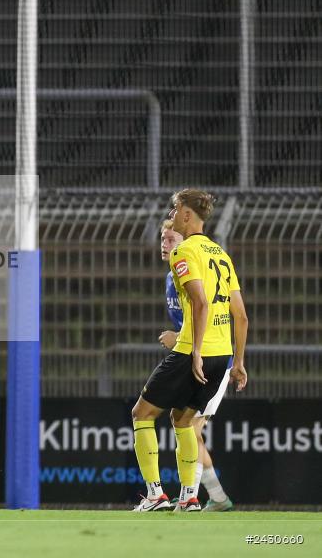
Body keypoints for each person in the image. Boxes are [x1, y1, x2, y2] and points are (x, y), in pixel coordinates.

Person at [131, 189, 248, 512]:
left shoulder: (185, 252)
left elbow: (200, 302)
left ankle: (155, 495)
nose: (172, 214)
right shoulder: (220, 254)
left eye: (175, 208)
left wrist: (193, 350)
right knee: (183, 422)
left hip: (192, 352)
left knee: (142, 414)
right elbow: (241, 315)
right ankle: (190, 497)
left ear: (186, 214)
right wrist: (238, 362)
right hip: (222, 355)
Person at [158, 219, 234, 512]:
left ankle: (190, 496)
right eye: (162, 239)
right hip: (194, 357)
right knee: (188, 427)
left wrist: (176, 337)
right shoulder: (172, 278)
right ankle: (215, 497)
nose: (165, 244)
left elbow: (210, 314)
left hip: (214, 359)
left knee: (188, 427)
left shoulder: (196, 271)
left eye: (171, 238)